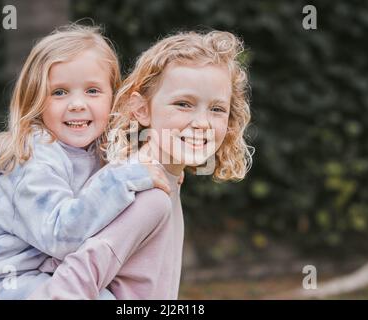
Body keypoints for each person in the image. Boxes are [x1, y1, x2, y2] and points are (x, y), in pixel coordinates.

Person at [0, 23, 171, 300]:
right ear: (35, 100)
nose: (77, 104)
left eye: (93, 91)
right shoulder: (33, 157)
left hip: (35, 277)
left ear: (114, 98)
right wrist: (124, 177)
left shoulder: (99, 151)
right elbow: (62, 237)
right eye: (59, 92)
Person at [29, 29, 253, 299]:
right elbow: (70, 285)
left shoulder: (162, 177)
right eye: (183, 104)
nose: (202, 123)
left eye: (217, 109)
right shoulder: (145, 194)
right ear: (142, 109)